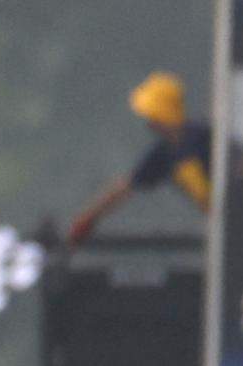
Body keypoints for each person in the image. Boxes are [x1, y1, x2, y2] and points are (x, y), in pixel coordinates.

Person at [67, 73, 213, 245]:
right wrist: (88, 218)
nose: (150, 122)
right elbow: (125, 187)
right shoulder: (164, 152)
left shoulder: (204, 136)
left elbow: (242, 163)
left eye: (153, 114)